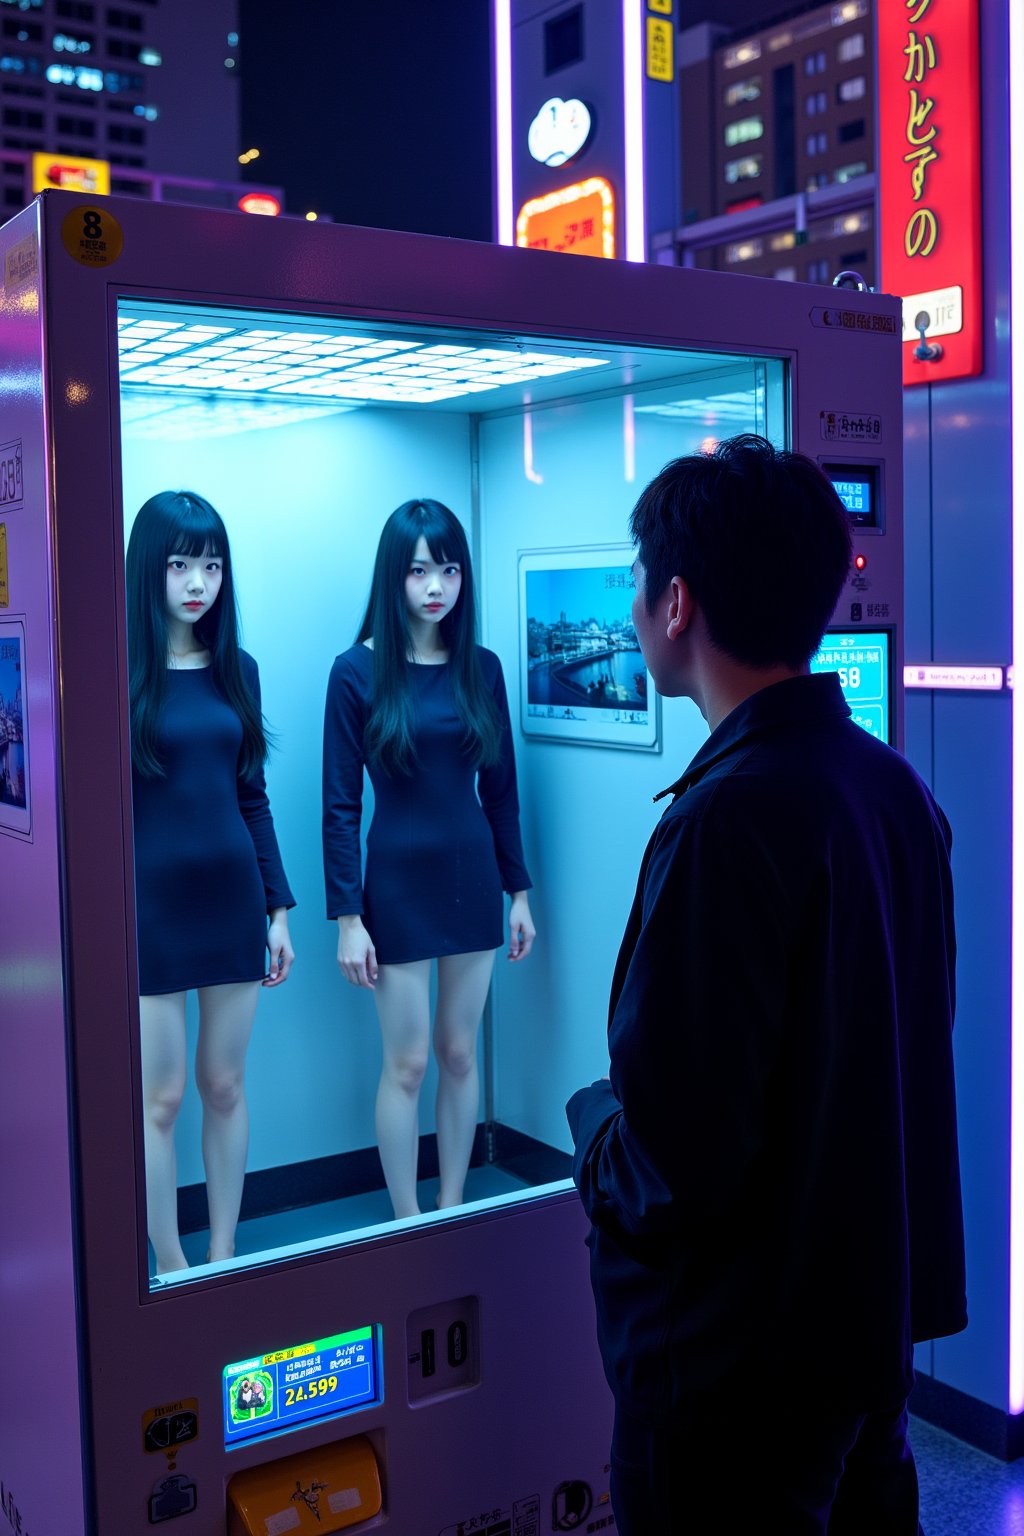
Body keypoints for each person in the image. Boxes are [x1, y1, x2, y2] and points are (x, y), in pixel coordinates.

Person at [566, 436, 965, 1535]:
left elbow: (677, 1157)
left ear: (676, 600)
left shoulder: (724, 819)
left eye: (638, 580)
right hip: (858, 1335)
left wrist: (593, 1127)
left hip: (728, 1375)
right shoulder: (887, 786)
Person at [323, 498, 535, 1219]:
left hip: (471, 876)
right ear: (394, 578)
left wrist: (520, 893)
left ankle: (450, 1203)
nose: (435, 586)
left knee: (460, 1053)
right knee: (407, 1061)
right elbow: (340, 804)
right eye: (418, 571)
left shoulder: (483, 667)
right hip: (397, 884)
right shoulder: (355, 672)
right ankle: (406, 1217)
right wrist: (347, 916)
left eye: (448, 569)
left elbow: (502, 790)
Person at [127, 491, 295, 1276]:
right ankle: (168, 1257)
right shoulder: (111, 672)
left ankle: (225, 1251)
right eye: (181, 564)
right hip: (148, 909)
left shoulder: (238, 671)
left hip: (232, 900)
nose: (199, 581)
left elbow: (252, 796)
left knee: (224, 1086)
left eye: (213, 564)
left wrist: (279, 908)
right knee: (157, 1101)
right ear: (147, 571)